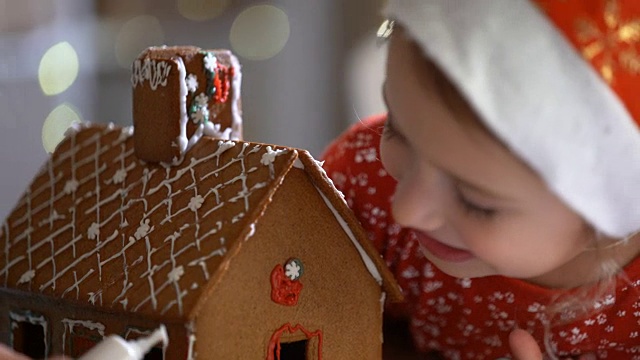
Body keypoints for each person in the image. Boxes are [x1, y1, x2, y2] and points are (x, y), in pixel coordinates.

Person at [322, 0, 640, 359]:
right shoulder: (357, 185)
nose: (406, 211)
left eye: (476, 203)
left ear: (609, 216)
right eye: (398, 129)